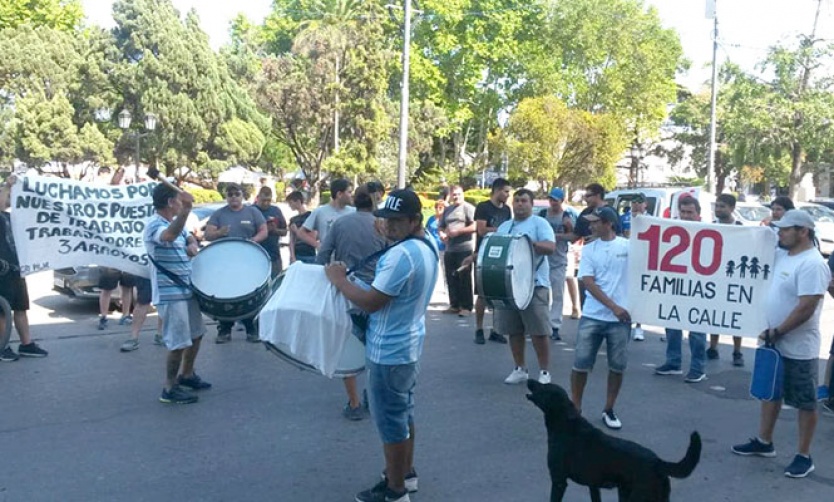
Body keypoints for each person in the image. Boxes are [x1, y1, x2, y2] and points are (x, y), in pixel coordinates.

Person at [324, 189, 438, 502]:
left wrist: (339, 281)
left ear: (415, 220)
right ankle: (405, 474)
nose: (388, 226)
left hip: (389, 350)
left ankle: (395, 490)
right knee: (404, 414)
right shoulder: (425, 245)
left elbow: (372, 301)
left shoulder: (401, 255)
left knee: (390, 423)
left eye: (397, 221)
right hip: (408, 344)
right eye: (385, 219)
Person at [732, 209, 830, 478]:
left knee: (805, 402)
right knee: (770, 393)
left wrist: (779, 331)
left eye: (786, 229)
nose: (780, 233)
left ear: (803, 232)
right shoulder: (782, 255)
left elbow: (806, 307)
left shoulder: (812, 264)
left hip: (799, 348)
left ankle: (804, 455)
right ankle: (764, 442)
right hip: (773, 342)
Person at [316, 185, 387, 421]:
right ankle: (375, 396)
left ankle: (354, 403)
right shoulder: (382, 225)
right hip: (378, 292)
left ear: (354, 201)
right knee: (375, 347)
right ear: (374, 203)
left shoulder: (341, 224)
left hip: (348, 291)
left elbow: (322, 256)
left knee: (349, 345)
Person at [145, 183, 211, 404]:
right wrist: (186, 212)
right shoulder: (154, 224)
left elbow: (186, 236)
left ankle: (187, 374)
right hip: (169, 293)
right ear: (171, 202)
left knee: (196, 334)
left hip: (186, 289)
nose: (182, 204)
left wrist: (192, 244)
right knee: (178, 342)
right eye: (179, 201)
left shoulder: (174, 223)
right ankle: (169, 388)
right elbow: (169, 237)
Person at [570, 206, 630, 430]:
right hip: (594, 315)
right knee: (581, 364)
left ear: (609, 223)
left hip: (620, 319)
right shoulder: (590, 248)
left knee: (617, 366)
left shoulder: (628, 247)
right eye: (591, 222)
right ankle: (576, 407)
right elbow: (588, 281)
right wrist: (613, 306)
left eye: (595, 222)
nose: (591, 226)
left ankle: (609, 408)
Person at [497, 189, 556, 386]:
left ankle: (545, 371)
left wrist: (530, 244)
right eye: (517, 201)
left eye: (524, 201)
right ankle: (520, 368)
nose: (519, 204)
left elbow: (551, 247)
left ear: (531, 204)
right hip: (510, 285)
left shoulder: (540, 223)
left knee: (539, 331)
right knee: (514, 329)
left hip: (535, 284)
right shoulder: (505, 226)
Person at [204, 182, 268, 343]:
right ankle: (224, 330)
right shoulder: (219, 214)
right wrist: (219, 232)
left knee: (249, 293)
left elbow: (264, 230)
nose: (233, 197)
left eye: (236, 194)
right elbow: (207, 235)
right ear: (226, 197)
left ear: (242, 195)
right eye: (230, 194)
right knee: (226, 294)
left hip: (248, 261)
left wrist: (253, 241)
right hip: (225, 263)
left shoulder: (252, 212)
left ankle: (251, 328)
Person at [654, 196, 708, 383]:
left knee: (697, 329)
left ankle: (698, 368)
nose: (686, 216)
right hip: (675, 285)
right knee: (671, 323)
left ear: (698, 214)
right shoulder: (671, 230)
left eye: (690, 212)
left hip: (699, 287)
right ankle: (673, 362)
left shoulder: (709, 231)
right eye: (683, 212)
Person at [0, 175, 49, 361]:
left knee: (21, 307)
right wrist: (7, 185)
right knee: (2, 311)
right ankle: (2, 346)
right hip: (1, 270)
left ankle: (26, 344)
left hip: (16, 268)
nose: (7, 197)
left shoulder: (10, 217)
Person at [472, 178, 512, 344]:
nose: (508, 195)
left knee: (498, 292)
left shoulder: (507, 210)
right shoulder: (483, 207)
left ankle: (496, 330)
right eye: (505, 191)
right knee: (482, 293)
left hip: (501, 254)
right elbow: (481, 230)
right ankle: (479, 329)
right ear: (496, 190)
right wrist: (500, 230)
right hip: (483, 254)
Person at [708, 193, 745, 366]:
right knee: (715, 313)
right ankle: (713, 347)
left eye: (722, 206)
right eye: (717, 205)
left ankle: (737, 351)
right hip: (715, 277)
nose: (718, 209)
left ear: (731, 208)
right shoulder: (710, 227)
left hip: (734, 277)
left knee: (735, 316)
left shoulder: (741, 228)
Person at [539, 187, 574, 342]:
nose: (553, 203)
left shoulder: (566, 217)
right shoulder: (542, 215)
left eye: (556, 200)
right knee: (541, 293)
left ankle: (555, 326)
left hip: (558, 259)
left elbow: (573, 236)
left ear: (562, 201)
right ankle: (541, 323)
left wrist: (558, 235)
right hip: (542, 259)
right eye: (551, 199)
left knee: (558, 293)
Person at [439, 185, 476, 316]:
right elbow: (441, 226)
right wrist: (442, 234)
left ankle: (466, 306)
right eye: (454, 194)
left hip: (464, 248)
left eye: (459, 194)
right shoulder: (448, 210)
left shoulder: (468, 208)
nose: (456, 197)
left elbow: (475, 225)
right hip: (449, 248)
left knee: (464, 278)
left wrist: (458, 232)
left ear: (463, 194)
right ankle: (454, 305)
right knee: (450, 277)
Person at [296, 178, 355, 255]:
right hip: (327, 259)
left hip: (349, 257)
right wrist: (317, 245)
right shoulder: (320, 211)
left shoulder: (354, 212)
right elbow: (301, 233)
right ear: (339, 194)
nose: (352, 195)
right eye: (349, 192)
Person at [623, 193, 647, 340]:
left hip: (642, 260)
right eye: (634, 202)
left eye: (639, 202)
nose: (636, 205)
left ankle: (639, 326)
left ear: (645, 204)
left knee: (640, 293)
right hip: (626, 257)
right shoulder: (624, 217)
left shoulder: (651, 219)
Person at [254, 186, 288, 278]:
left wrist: (275, 230)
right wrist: (262, 231)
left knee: (276, 283)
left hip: (274, 255)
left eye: (268, 200)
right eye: (263, 200)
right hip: (255, 255)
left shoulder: (276, 210)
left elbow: (285, 232)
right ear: (258, 197)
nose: (266, 203)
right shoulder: (251, 210)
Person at [287, 191, 317, 264]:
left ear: (298, 201)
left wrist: (297, 231)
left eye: (291, 203)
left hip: (309, 254)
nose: (289, 205)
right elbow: (291, 240)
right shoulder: (293, 220)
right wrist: (292, 256)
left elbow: (313, 236)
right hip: (297, 254)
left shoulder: (310, 216)